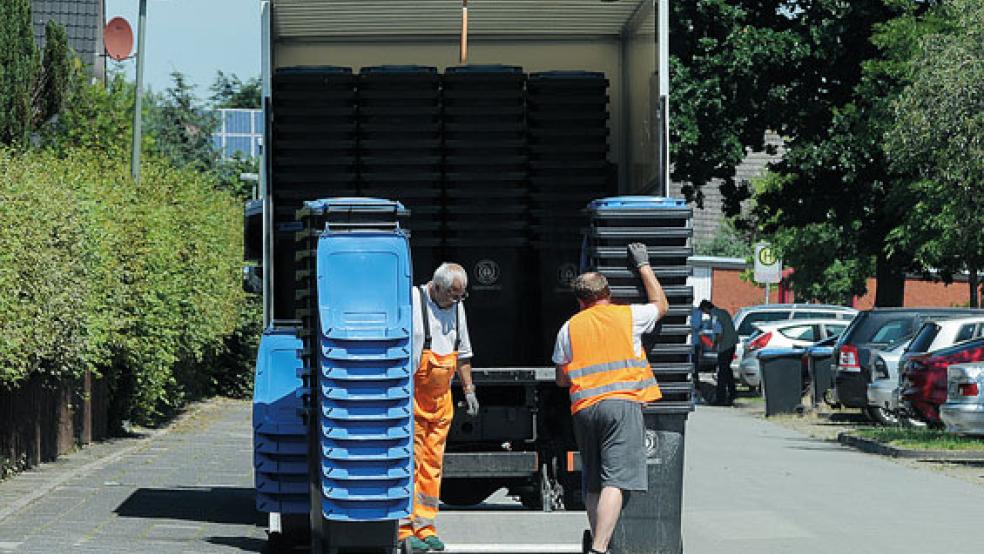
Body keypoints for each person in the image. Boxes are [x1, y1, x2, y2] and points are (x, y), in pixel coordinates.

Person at [552, 243, 668, 554]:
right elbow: (661, 304)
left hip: (585, 409)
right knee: (615, 480)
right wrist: (643, 264)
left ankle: (597, 539)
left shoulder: (568, 328)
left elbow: (562, 379)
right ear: (608, 293)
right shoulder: (628, 316)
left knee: (593, 481)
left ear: (580, 301)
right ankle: (600, 549)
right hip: (621, 404)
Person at [399, 263, 479, 553]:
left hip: (441, 401)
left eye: (461, 296)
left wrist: (468, 389)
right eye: (453, 296)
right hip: (413, 399)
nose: (457, 301)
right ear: (438, 287)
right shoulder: (412, 300)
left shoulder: (457, 307)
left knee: (432, 467)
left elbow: (464, 352)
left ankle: (426, 527)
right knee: (410, 465)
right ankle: (403, 528)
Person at [699, 299, 738, 406]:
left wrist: (714, 345)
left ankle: (721, 397)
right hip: (732, 343)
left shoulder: (715, 316)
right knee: (727, 370)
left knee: (722, 371)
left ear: (706, 309)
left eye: (704, 311)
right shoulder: (723, 312)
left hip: (725, 346)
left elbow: (719, 333)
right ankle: (732, 392)